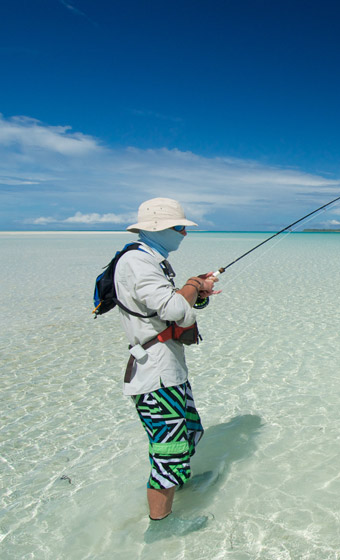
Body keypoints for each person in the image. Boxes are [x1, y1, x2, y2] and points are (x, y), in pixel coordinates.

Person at [115, 197, 219, 538]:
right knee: (168, 452)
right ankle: (161, 528)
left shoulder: (150, 260)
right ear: (159, 228)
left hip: (169, 371)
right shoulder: (138, 263)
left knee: (188, 433)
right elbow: (175, 309)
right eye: (180, 228)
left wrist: (196, 292)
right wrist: (193, 284)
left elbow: (169, 305)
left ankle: (181, 485)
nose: (185, 234)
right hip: (155, 376)